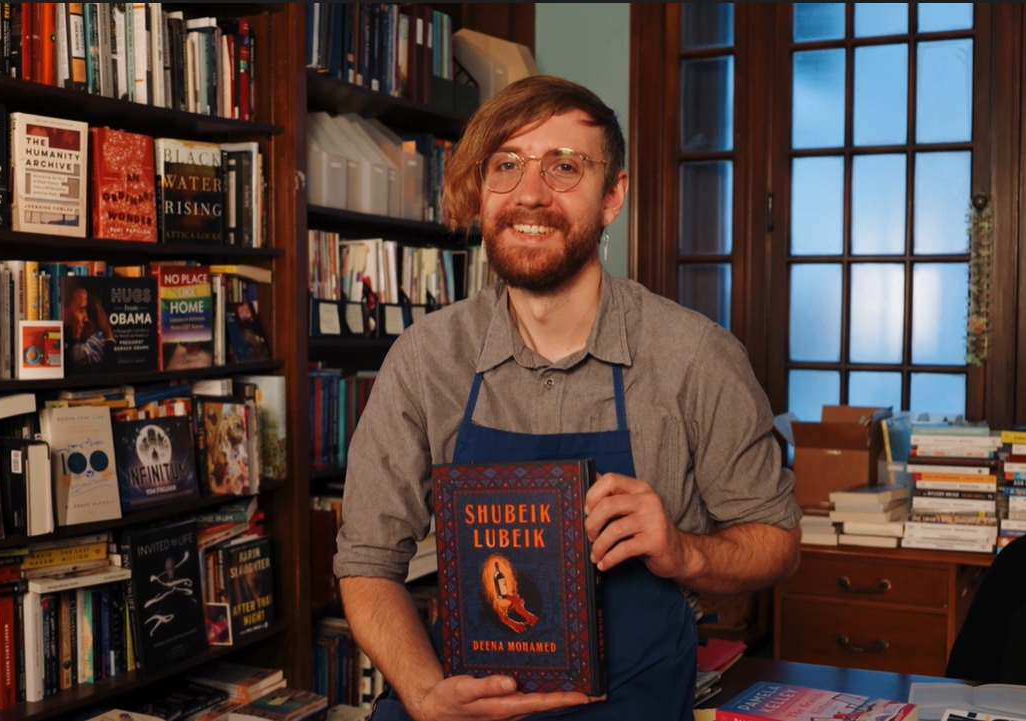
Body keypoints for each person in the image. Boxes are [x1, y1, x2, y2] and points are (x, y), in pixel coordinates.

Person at [334, 75, 802, 721]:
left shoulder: (695, 356)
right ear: (483, 189)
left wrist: (683, 550)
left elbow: (777, 540)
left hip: (631, 703)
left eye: (564, 166)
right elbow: (364, 562)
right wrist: (423, 693)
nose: (530, 193)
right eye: (507, 165)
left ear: (613, 196)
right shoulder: (425, 358)